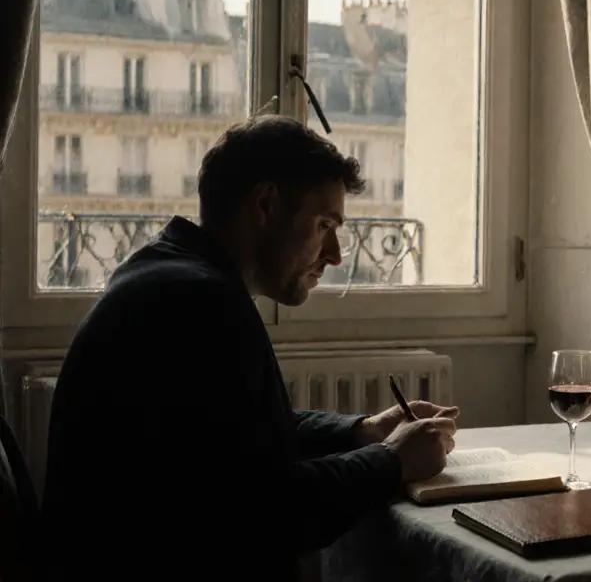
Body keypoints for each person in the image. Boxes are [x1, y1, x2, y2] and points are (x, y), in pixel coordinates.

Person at [41, 115, 459, 581]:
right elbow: (273, 512)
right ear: (265, 204)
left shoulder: (165, 271)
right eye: (324, 224)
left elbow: (235, 436)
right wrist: (390, 461)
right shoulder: (203, 302)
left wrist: (359, 431)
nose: (337, 253)